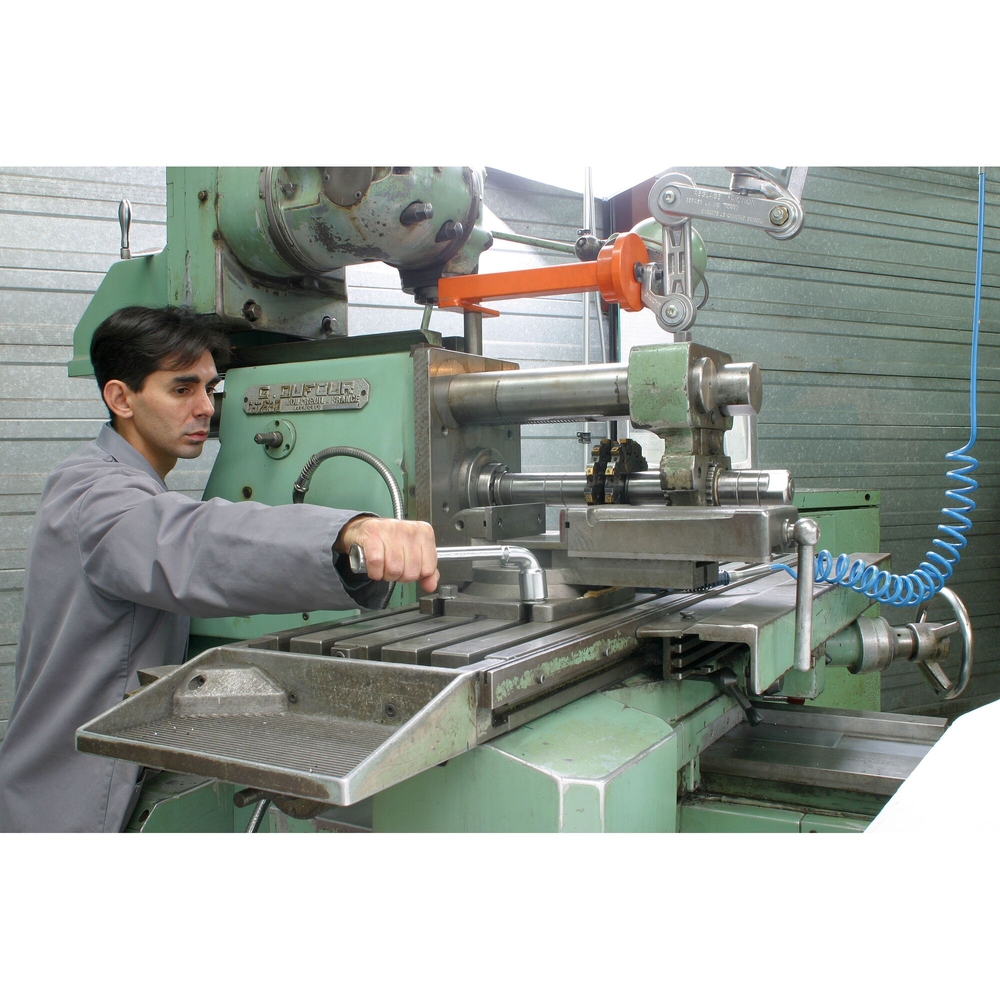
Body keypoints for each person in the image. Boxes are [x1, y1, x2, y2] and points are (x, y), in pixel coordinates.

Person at [0, 306, 439, 833]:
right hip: (70, 802)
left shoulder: (116, 480)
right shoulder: (95, 495)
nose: (206, 408)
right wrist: (347, 533)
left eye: (211, 388)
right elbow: (192, 542)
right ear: (121, 398)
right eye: (182, 389)